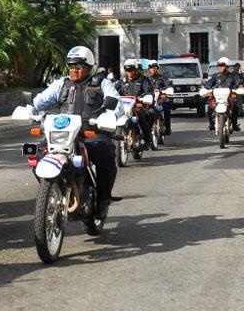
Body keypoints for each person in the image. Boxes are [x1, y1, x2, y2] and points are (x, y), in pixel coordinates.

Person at [27, 46, 120, 221]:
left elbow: (116, 103)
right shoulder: (61, 84)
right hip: (63, 133)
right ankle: (52, 189)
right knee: (38, 154)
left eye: (78, 66)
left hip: (90, 131)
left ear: (88, 66)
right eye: (71, 66)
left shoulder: (101, 83)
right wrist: (30, 110)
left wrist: (110, 115)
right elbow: (40, 101)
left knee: (105, 155)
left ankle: (102, 200)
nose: (74, 70)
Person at [116, 58, 155, 149]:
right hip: (124, 107)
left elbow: (148, 91)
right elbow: (114, 91)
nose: (129, 72)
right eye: (127, 70)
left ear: (136, 69)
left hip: (138, 106)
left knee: (141, 117)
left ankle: (147, 140)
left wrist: (144, 98)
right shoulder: (123, 81)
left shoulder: (143, 80)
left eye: (131, 69)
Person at [205, 57, 242, 132]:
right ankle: (212, 124)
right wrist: (207, 87)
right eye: (220, 65)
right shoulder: (215, 76)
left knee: (235, 106)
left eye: (222, 65)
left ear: (227, 66)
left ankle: (234, 124)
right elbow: (209, 83)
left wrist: (238, 84)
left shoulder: (232, 76)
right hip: (217, 97)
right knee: (209, 107)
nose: (220, 67)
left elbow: (238, 81)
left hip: (228, 97)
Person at [146, 60, 172, 135]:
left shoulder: (163, 78)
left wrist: (165, 93)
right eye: (151, 68)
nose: (153, 69)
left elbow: (168, 85)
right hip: (150, 99)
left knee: (166, 106)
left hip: (160, 99)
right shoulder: (146, 79)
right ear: (149, 69)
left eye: (155, 68)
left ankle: (167, 127)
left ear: (158, 68)